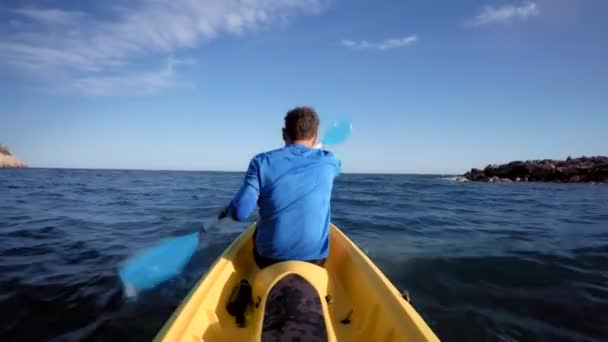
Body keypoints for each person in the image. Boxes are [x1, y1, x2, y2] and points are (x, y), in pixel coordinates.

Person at [219, 106, 341, 269]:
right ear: (316, 136)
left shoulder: (260, 161)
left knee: (258, 229)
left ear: (284, 133)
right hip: (315, 260)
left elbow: (240, 213)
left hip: (268, 259)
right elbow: (336, 167)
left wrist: (229, 210)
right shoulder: (330, 161)